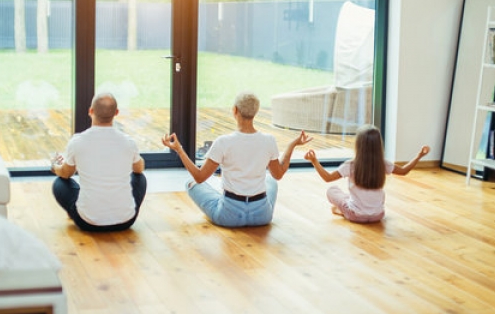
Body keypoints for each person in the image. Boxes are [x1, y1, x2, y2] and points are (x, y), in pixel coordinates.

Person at [161, 91, 312, 228]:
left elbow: (199, 177)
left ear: (235, 110)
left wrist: (179, 150)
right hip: (261, 216)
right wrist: (293, 145)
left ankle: (224, 199)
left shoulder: (223, 142)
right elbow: (278, 174)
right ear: (256, 112)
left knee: (191, 183)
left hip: (229, 216)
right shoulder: (268, 140)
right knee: (271, 180)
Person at [51, 92, 147, 232]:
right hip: (126, 221)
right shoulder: (128, 142)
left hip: (87, 222)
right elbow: (139, 169)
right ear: (116, 113)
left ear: (91, 111)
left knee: (59, 183)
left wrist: (55, 166)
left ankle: (75, 212)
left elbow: (65, 174)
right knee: (140, 178)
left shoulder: (77, 142)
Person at [304, 124, 429, 223]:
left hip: (356, 215)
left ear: (358, 145)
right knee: (352, 196)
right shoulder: (383, 164)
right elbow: (404, 171)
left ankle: (343, 211)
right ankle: (345, 209)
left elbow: (328, 178)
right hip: (378, 215)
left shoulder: (351, 165)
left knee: (332, 190)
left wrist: (314, 161)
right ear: (379, 145)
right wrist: (419, 155)